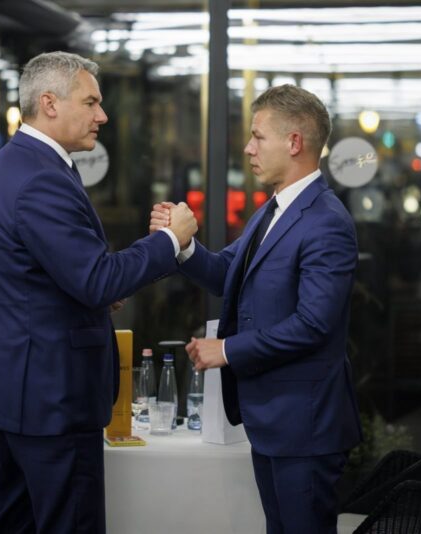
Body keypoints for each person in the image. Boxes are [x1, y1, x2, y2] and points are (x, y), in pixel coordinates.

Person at [0, 51, 197, 534]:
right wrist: (169, 240)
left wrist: (93, 288)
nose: (103, 115)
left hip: (17, 390)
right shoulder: (40, 179)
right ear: (49, 103)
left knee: (15, 523)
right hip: (52, 398)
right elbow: (96, 279)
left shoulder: (9, 165)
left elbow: (44, 275)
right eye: (91, 102)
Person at [152, 85, 361, 534]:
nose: (248, 148)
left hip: (305, 424)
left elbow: (313, 325)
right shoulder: (272, 211)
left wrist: (226, 350)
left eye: (257, 137)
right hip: (274, 420)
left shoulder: (327, 222)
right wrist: (183, 244)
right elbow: (227, 270)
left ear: (294, 143)